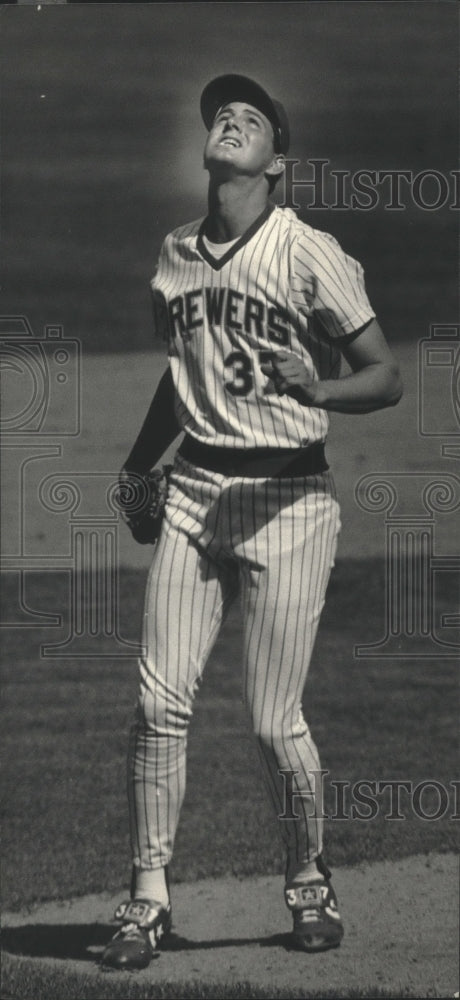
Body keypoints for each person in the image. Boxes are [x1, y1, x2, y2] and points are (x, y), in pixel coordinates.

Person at [101, 74, 402, 970]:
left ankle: (307, 873)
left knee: (273, 722)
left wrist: (320, 387)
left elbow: (383, 375)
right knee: (158, 704)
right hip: (194, 492)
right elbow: (181, 372)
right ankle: (147, 897)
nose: (230, 120)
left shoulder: (309, 252)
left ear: (278, 164)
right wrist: (135, 465)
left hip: (290, 503)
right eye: (221, 115)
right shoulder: (175, 253)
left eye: (251, 119)